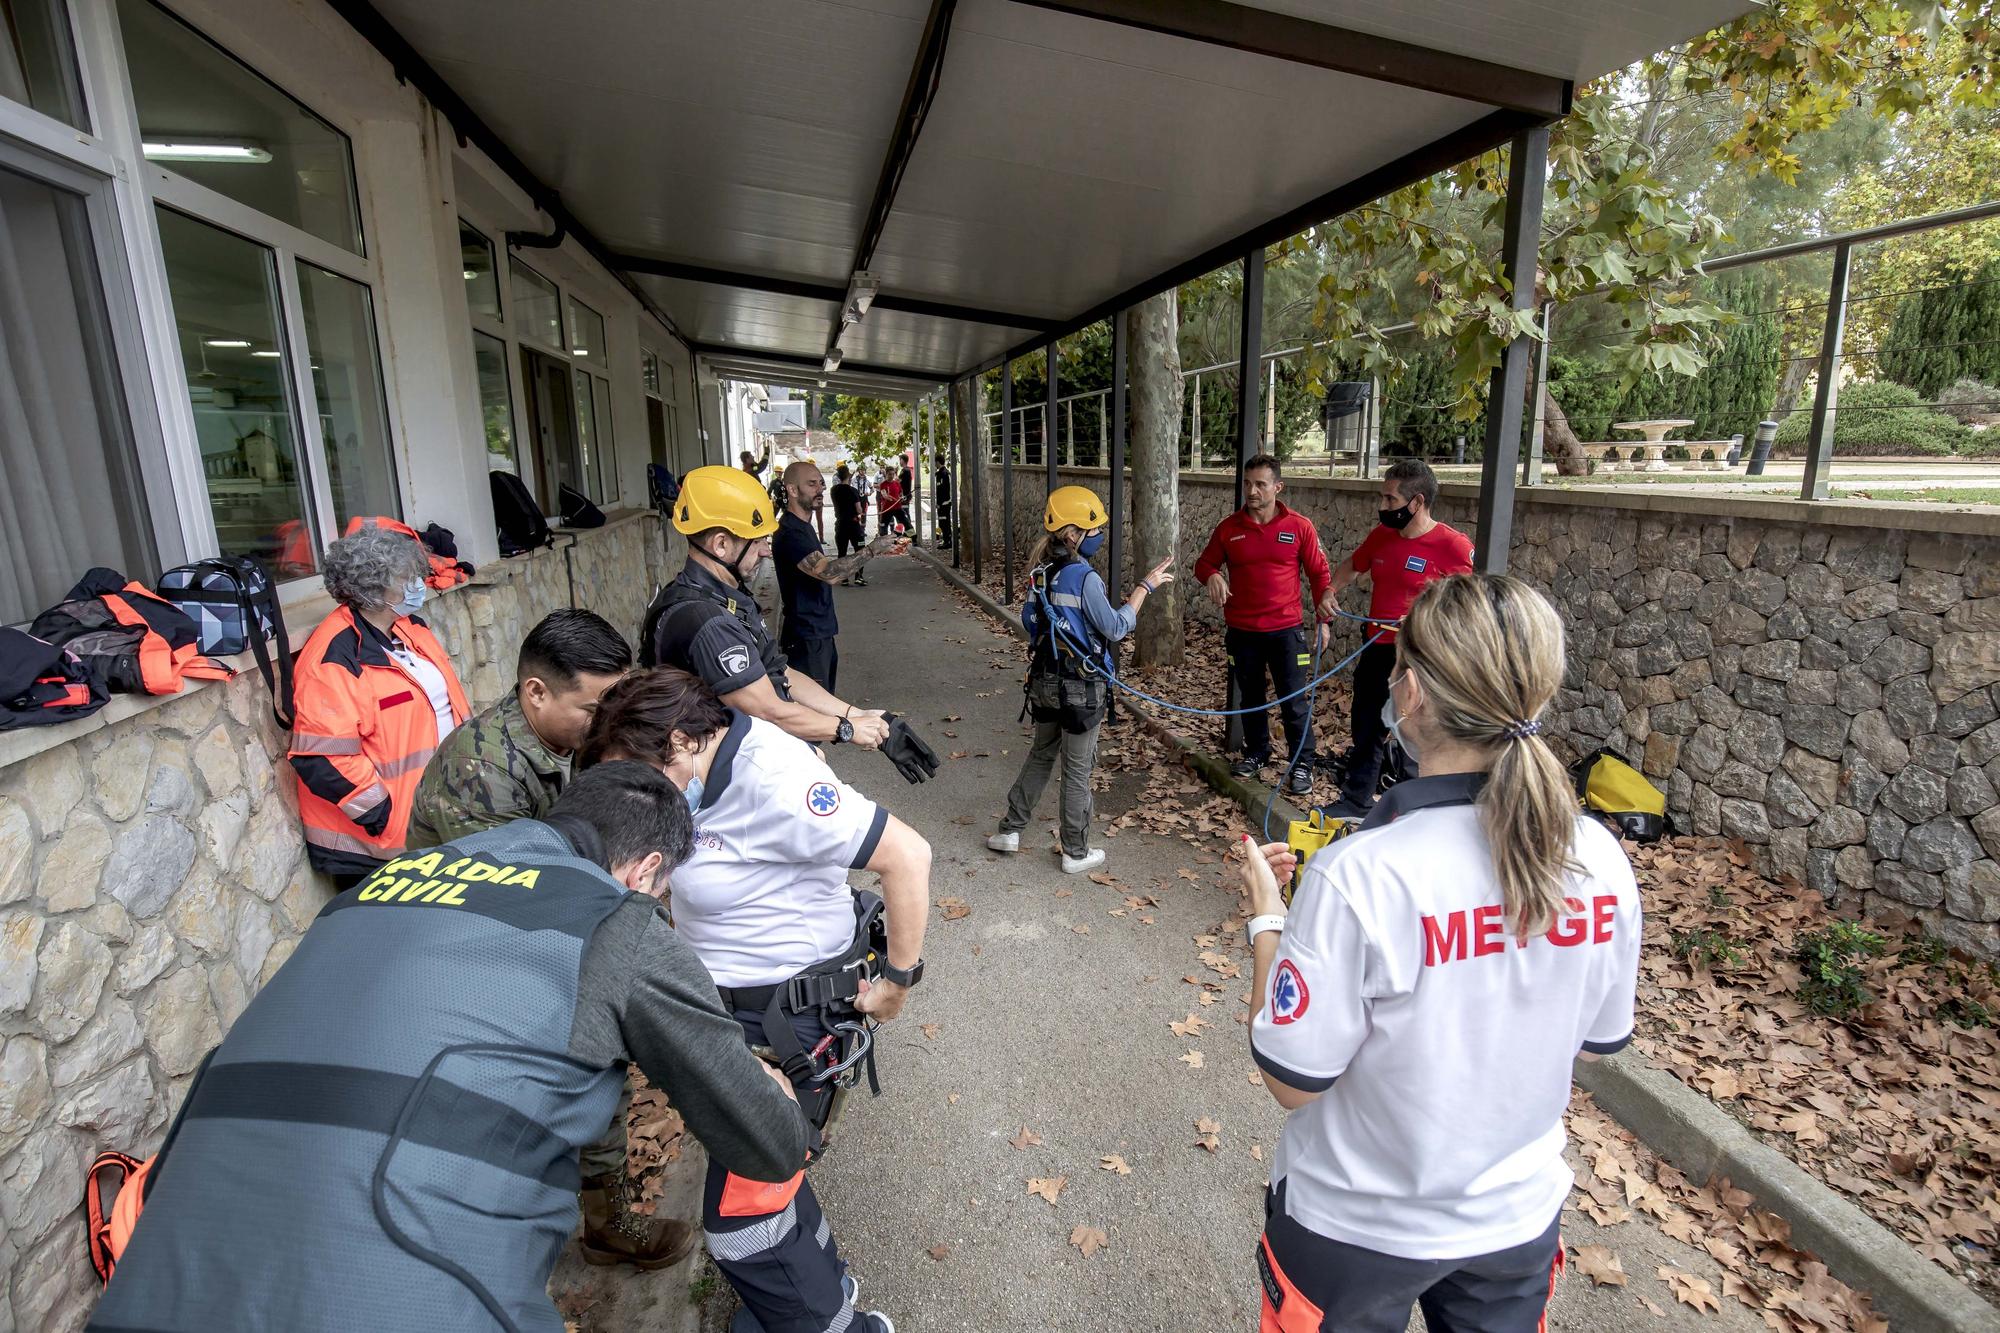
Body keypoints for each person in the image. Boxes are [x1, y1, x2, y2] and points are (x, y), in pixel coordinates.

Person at [90, 762, 813, 1333]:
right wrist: (772, 1093)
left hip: (154, 1285)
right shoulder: (614, 920)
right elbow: (769, 1143)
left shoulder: (372, 889)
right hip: (397, 1298)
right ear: (644, 869)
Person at [1238, 573, 1641, 1333]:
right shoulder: (1599, 857)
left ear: (1412, 692)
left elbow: (1292, 1081)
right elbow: (1591, 1046)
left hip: (1351, 1229)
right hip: (1513, 1225)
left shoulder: (1361, 871)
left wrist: (1268, 921)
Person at [578, 670, 931, 1333]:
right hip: (736, 1020)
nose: (636, 796)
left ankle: (839, 1326)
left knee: (743, 1222)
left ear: (681, 740)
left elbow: (908, 855)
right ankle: (826, 1289)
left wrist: (897, 985)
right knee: (775, 1175)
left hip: (791, 1025)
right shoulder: (700, 779)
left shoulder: (769, 780)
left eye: (641, 777)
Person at [641, 467, 938, 786]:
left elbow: (778, 673)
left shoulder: (726, 598)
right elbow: (767, 709)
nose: (767, 549)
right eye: (758, 541)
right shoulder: (707, 621)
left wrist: (858, 714)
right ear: (721, 545)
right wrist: (847, 729)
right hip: (710, 789)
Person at [988, 486, 1173, 875]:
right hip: (1080, 688)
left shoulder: (1039, 573)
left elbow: (1030, 623)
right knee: (1077, 770)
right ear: (1075, 534)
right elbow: (1116, 626)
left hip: (1044, 681)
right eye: (1095, 529)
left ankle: (1010, 829)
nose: (1100, 536)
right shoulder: (1084, 577)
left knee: (1041, 754)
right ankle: (1074, 850)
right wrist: (1145, 588)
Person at [289, 527, 470, 890]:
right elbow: (322, 757)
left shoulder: (409, 628)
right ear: (371, 590)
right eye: (406, 578)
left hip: (431, 818)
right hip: (382, 846)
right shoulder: (334, 658)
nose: (418, 584)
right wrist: (382, 814)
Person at [1322, 458, 1475, 820]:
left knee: (1415, 730)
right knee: (1367, 724)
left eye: (1391, 500)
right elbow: (1353, 565)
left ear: (1417, 502)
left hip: (1419, 658)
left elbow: (1468, 604)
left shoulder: (1452, 546)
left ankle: (1412, 808)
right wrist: (1330, 589)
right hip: (1376, 649)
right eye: (1383, 498)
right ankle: (1357, 799)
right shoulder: (1382, 536)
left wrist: (1424, 620)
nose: (1383, 507)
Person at [406, 608, 632, 848]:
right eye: (593, 710)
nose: (611, 720)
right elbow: (509, 876)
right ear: (537, 692)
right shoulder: (480, 767)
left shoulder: (577, 735)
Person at [1190, 453, 1334, 798]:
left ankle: (1302, 763)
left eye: (1260, 484)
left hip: (1286, 631)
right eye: (1247, 483)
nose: (1251, 491)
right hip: (1242, 632)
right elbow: (1203, 563)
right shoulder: (1229, 528)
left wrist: (1323, 622)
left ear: (1277, 487)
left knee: (1293, 701)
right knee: (1251, 698)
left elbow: (1319, 575)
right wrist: (1211, 575)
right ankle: (1257, 753)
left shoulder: (1299, 526)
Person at [774, 461, 881, 692]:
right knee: (815, 708)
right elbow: (828, 574)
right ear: (792, 490)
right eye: (811, 484)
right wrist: (873, 549)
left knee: (824, 699)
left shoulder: (804, 526)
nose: (820, 489)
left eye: (821, 483)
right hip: (806, 638)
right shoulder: (792, 533)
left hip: (818, 633)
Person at [830, 463, 869, 581]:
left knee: (842, 552)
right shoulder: (853, 491)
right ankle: (859, 576)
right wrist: (861, 511)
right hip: (853, 525)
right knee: (860, 551)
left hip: (840, 524)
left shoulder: (834, 490)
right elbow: (859, 509)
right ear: (848, 475)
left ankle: (844, 578)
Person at [875, 465, 904, 539]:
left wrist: (901, 497)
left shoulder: (897, 483)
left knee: (905, 523)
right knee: (883, 528)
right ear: (886, 474)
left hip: (897, 508)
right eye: (889, 474)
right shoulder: (883, 484)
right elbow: (885, 495)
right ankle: (883, 543)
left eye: (893, 474)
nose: (891, 476)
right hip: (887, 509)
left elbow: (900, 493)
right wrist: (894, 499)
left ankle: (912, 539)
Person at [932, 458, 954, 548]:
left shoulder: (944, 474)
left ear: (937, 462)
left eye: (934, 463)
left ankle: (948, 542)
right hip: (943, 503)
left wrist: (940, 503)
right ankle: (947, 540)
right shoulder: (940, 473)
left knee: (945, 523)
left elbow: (944, 490)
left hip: (944, 503)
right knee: (943, 523)